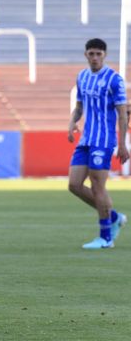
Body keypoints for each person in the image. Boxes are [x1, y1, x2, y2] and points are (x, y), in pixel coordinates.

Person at [68, 38, 129, 249]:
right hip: (86, 139)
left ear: (104, 55)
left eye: (98, 54)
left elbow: (123, 114)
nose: (94, 58)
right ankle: (113, 216)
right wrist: (71, 124)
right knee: (74, 185)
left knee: (97, 186)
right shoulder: (82, 77)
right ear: (85, 54)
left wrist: (122, 144)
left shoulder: (114, 79)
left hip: (103, 141)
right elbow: (79, 106)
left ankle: (106, 238)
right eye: (91, 54)